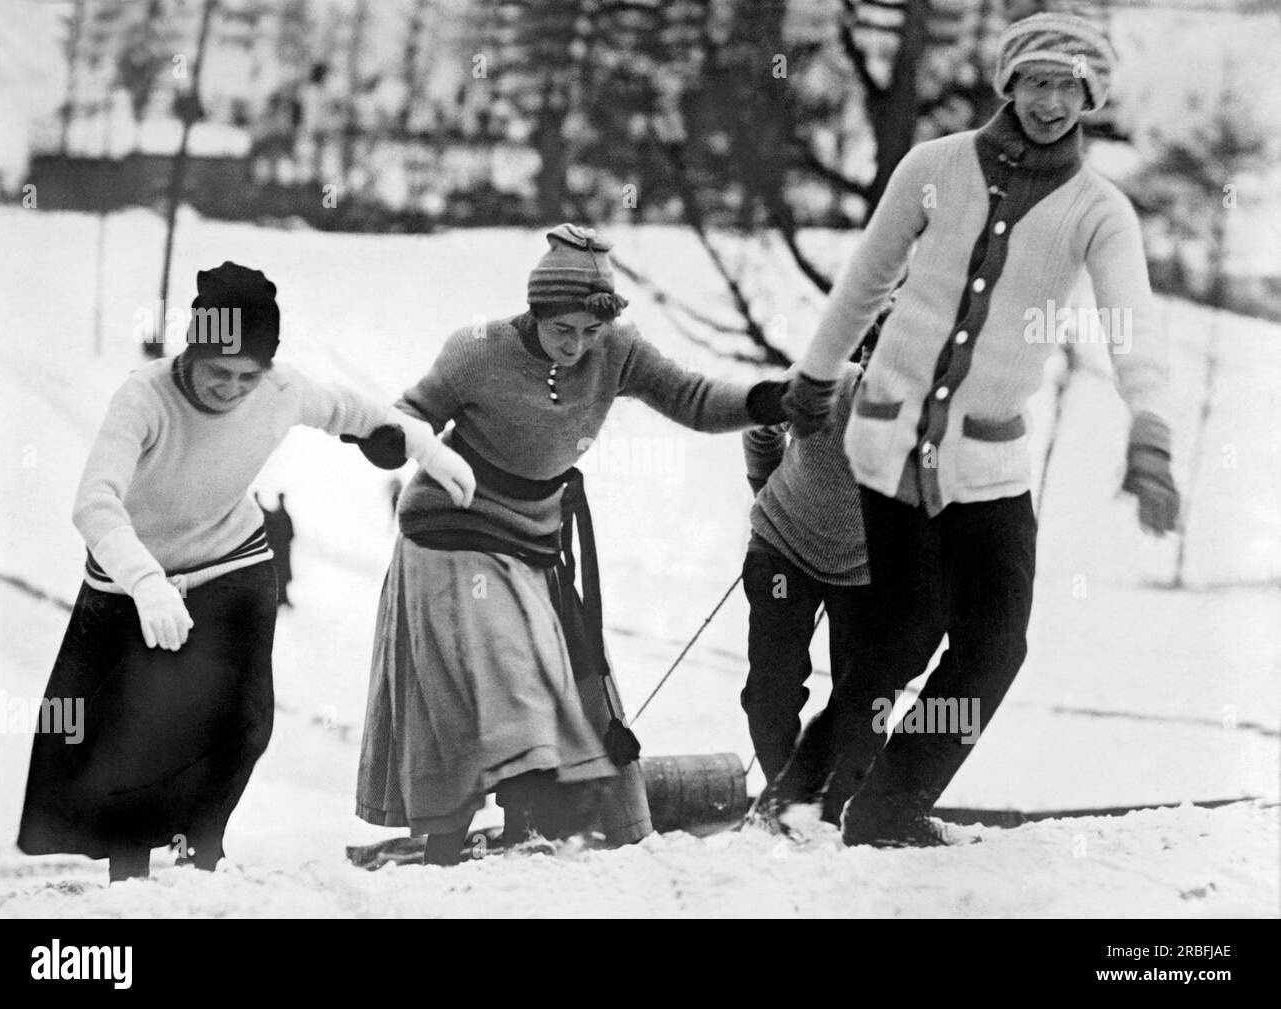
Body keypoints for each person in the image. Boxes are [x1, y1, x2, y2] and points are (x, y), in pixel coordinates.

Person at [776, 12, 1180, 846]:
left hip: (989, 462)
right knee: (908, 628)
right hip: (889, 443)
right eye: (1037, 81)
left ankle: (886, 802)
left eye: (1071, 87)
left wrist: (1151, 424)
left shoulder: (1098, 211)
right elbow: (865, 279)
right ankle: (805, 787)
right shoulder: (933, 168)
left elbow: (1130, 319)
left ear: (1091, 98)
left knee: (996, 643)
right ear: (1009, 84)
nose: (1051, 101)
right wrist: (817, 374)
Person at [17, 262, 475, 882]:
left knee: (241, 721)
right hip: (132, 579)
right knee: (131, 732)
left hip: (233, 563)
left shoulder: (281, 391)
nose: (233, 389)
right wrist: (147, 583)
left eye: (247, 376)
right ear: (191, 351)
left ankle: (200, 847)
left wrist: (425, 446)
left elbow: (358, 414)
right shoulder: (144, 398)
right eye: (219, 373)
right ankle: (130, 875)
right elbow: (94, 503)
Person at [350, 224, 788, 864]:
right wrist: (388, 436)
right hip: (452, 530)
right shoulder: (478, 351)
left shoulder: (617, 350)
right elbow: (412, 411)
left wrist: (768, 399)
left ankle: (535, 825)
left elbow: (692, 398)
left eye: (590, 332)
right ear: (536, 312)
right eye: (565, 331)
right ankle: (461, 838)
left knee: (568, 688)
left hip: (533, 539)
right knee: (507, 675)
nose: (578, 346)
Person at [741, 301, 894, 821]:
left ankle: (834, 809)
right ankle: (784, 802)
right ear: (865, 353)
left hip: (863, 570)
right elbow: (760, 423)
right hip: (783, 546)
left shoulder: (930, 427)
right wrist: (766, 487)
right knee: (771, 691)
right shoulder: (828, 386)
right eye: (879, 357)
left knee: (862, 697)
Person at [255, 491, 296, 607]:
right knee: (276, 576)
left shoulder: (283, 515)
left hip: (281, 553)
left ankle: (283, 598)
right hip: (279, 553)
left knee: (281, 576)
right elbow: (291, 534)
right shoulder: (281, 515)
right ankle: (277, 600)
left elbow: (291, 534)